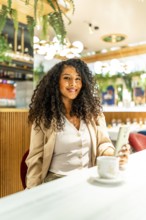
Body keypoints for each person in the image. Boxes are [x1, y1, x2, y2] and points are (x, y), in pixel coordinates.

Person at [25, 58, 130, 189]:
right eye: (67, 78)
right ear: (56, 82)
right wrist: (32, 192)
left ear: (83, 82)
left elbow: (103, 143)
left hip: (88, 179)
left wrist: (114, 154)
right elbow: (36, 158)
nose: (73, 84)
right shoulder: (43, 118)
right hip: (56, 182)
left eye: (78, 79)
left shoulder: (93, 113)